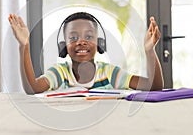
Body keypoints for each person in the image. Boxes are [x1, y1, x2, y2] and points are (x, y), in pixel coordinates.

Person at [8, 12, 164, 94]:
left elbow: (154, 87)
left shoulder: (109, 73)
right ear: (64, 46)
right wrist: (24, 46)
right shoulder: (59, 72)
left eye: (89, 36)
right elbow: (32, 88)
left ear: (99, 43)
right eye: (73, 37)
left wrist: (150, 52)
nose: (81, 42)